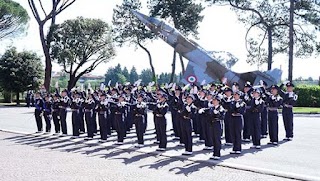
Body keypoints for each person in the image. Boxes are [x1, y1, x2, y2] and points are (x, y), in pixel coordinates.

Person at [205, 95, 225, 160]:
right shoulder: (212, 108)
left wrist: (218, 114)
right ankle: (214, 153)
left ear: (218, 101)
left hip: (217, 124)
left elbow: (222, 117)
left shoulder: (221, 108)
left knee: (217, 139)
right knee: (213, 139)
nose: (213, 101)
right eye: (213, 100)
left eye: (215, 100)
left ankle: (218, 154)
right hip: (212, 124)